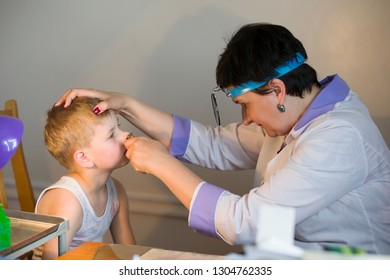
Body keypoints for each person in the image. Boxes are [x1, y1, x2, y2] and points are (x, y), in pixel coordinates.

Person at [55, 23, 390, 254]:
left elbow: (244, 222)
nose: (246, 120)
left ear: (277, 90)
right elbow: (212, 144)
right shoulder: (291, 121)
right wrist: (126, 104)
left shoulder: (339, 137)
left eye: (245, 106)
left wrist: (164, 165)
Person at [35, 97, 135, 259]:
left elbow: (130, 254)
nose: (126, 136)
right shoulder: (69, 201)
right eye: (112, 135)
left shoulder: (117, 190)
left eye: (119, 127)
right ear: (84, 158)